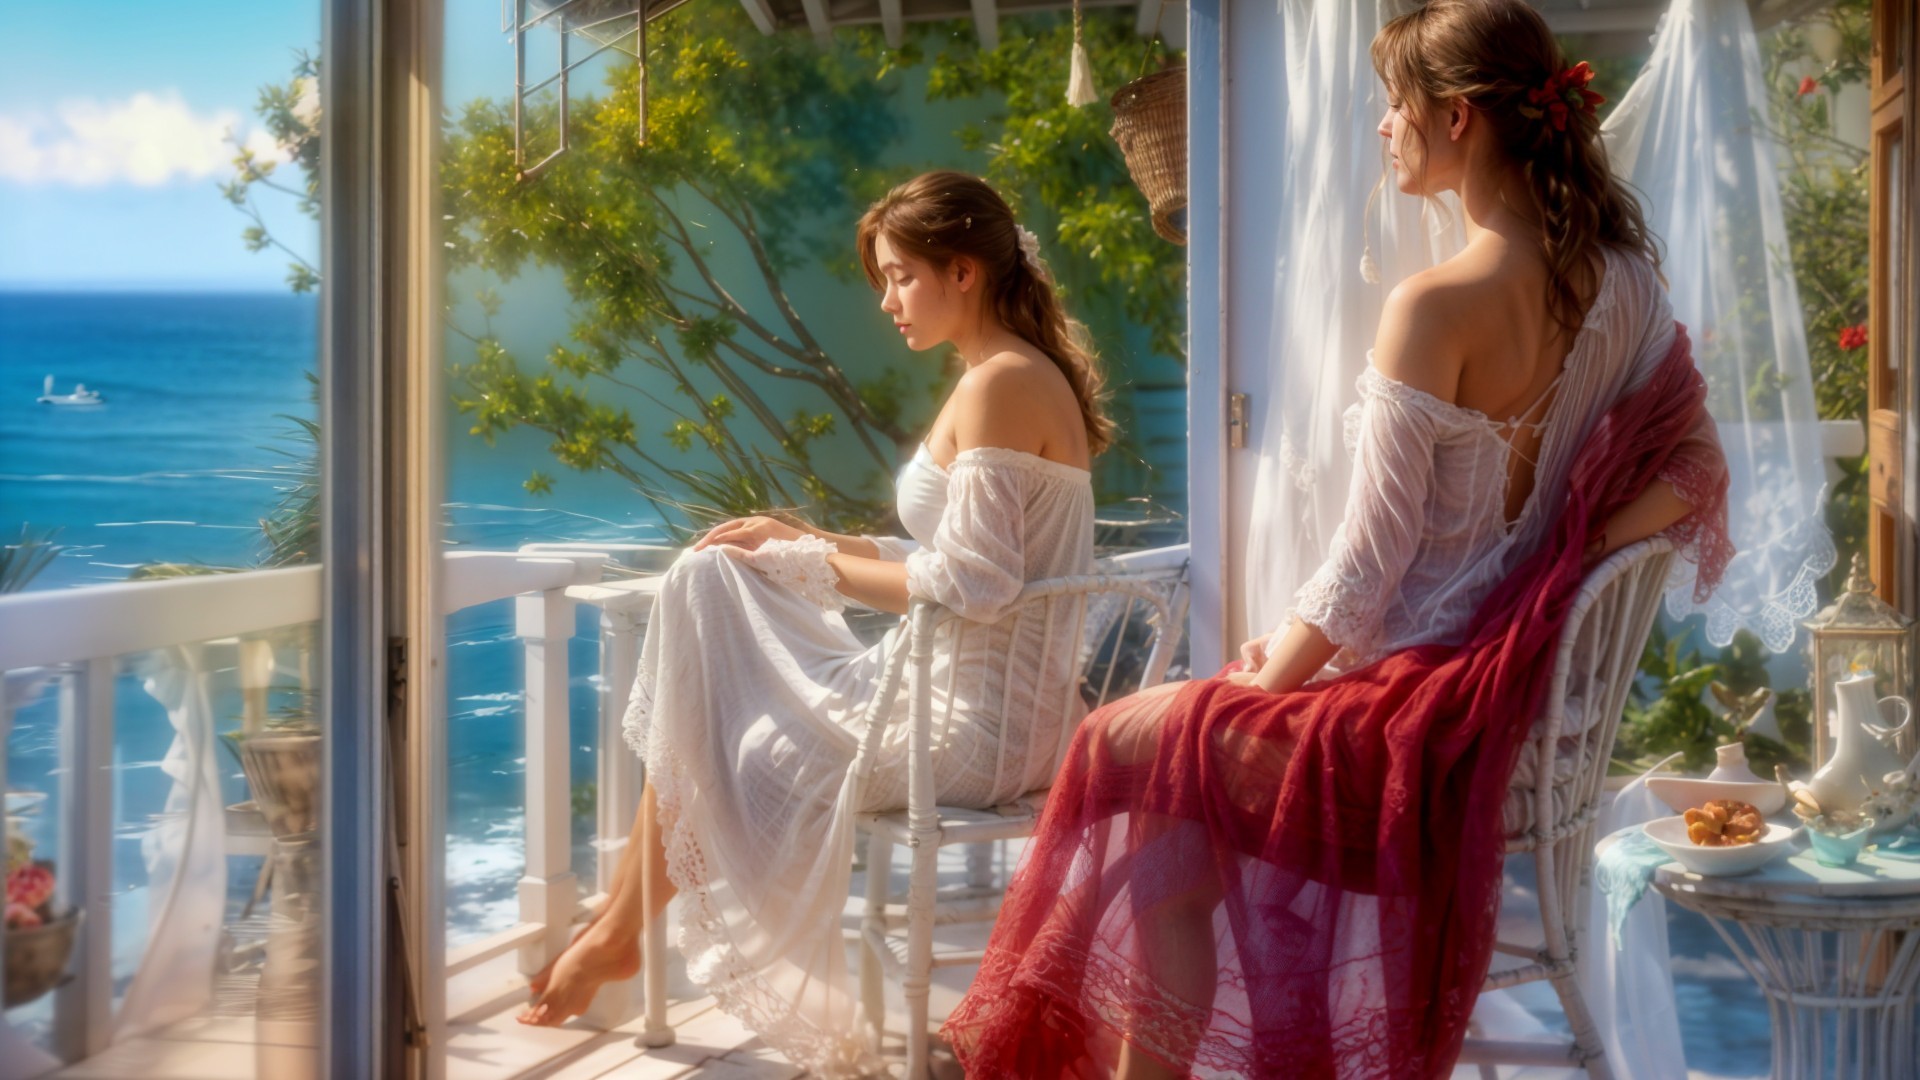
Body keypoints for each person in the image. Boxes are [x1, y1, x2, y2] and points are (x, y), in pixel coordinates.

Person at [942, 2, 1733, 1077]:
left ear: (1456, 118)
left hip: (1421, 719)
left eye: (1394, 106)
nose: (1381, 129)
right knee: (1171, 863)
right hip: (1516, 700)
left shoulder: (1437, 305)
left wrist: (1273, 679)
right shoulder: (1630, 290)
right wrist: (1571, 558)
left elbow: (1369, 568)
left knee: (1111, 743)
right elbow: (1697, 468)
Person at [518, 171, 1111, 1078]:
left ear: (962, 272)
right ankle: (612, 929)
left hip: (981, 730)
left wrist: (804, 564)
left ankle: (614, 933)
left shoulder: (1001, 385)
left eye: (900, 277)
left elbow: (974, 584)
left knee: (732, 743)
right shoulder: (1001, 376)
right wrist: (808, 537)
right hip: (987, 703)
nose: (886, 302)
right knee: (715, 622)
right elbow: (962, 552)